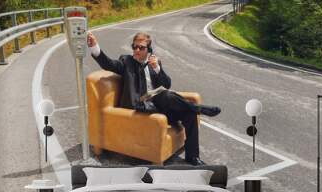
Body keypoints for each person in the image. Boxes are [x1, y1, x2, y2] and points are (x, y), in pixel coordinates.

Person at [87, 31, 221, 166]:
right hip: (141, 106)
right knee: (167, 96)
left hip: (160, 106)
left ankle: (192, 157)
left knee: (186, 112)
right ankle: (197, 108)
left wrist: (157, 68)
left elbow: (167, 84)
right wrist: (95, 47)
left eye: (141, 47)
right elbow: (109, 64)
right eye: (135, 47)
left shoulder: (155, 64)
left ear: (149, 50)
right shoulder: (126, 61)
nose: (137, 50)